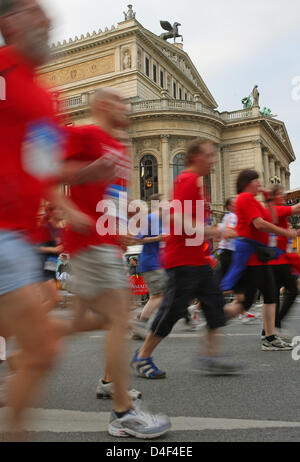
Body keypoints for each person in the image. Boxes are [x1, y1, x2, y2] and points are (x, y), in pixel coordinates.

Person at [0, 0, 113, 436]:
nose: (47, 20)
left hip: (20, 240)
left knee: (36, 345)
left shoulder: (47, 99)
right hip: (4, 237)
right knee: (42, 346)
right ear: (9, 21)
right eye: (33, 11)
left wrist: (80, 182)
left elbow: (46, 170)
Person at [64, 88, 171, 438]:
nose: (126, 108)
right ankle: (122, 411)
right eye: (119, 103)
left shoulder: (121, 150)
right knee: (118, 318)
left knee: (84, 321)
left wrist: (126, 224)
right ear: (101, 106)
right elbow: (51, 173)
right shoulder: (86, 134)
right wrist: (73, 203)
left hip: (107, 243)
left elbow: (114, 197)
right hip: (88, 241)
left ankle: (25, 356)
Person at [131, 138, 243, 379]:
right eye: (209, 155)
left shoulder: (198, 183)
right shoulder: (187, 179)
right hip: (181, 259)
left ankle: (211, 357)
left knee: (213, 306)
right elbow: (175, 218)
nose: (213, 160)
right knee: (172, 311)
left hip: (198, 259)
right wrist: (215, 231)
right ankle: (142, 356)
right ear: (196, 158)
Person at [224, 170, 298, 351]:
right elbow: (260, 224)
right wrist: (285, 232)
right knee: (246, 302)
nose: (259, 184)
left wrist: (270, 201)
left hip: (259, 255)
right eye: (257, 181)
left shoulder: (253, 201)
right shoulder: (245, 198)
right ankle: (214, 318)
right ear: (248, 182)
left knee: (271, 295)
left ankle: (270, 337)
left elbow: (270, 218)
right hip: (250, 256)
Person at [261, 185, 300, 340]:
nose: (283, 196)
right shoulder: (279, 209)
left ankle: (269, 330)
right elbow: (296, 208)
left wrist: (295, 232)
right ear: (273, 197)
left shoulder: (271, 211)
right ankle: (275, 327)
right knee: (291, 290)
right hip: (278, 259)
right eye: (280, 194)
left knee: (274, 296)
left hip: (274, 259)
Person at [132, 194, 168, 339]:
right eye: (164, 202)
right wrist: (158, 238)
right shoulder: (150, 218)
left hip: (157, 262)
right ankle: (140, 324)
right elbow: (138, 239)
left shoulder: (160, 220)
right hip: (151, 262)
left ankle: (140, 320)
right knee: (158, 296)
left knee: (158, 295)